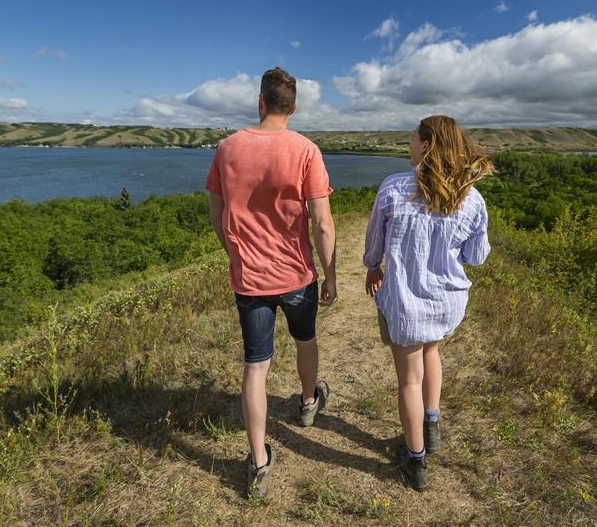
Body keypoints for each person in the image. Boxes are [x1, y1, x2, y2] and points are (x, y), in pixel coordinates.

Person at [205, 67, 337, 499]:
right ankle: (306, 403)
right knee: (305, 341)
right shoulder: (305, 150)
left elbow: (217, 216)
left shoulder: (226, 149)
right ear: (293, 107)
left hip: (249, 279)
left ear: (259, 101)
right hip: (297, 274)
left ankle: (258, 462)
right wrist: (330, 274)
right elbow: (322, 222)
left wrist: (237, 254)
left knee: (256, 366)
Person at [362, 115, 493, 492]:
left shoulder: (393, 188)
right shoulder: (470, 196)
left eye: (412, 139)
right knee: (432, 350)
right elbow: (477, 255)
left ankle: (416, 460)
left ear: (426, 145)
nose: (408, 145)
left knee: (408, 378)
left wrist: (373, 268)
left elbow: (374, 244)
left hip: (405, 302)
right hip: (446, 302)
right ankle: (430, 427)